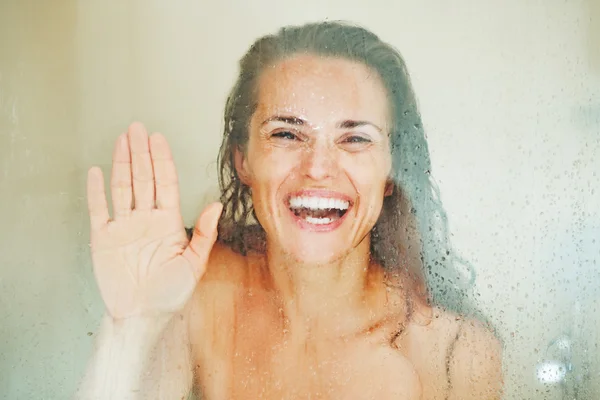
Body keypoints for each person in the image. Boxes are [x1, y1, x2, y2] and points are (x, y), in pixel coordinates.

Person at [77, 21, 503, 400]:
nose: (317, 168)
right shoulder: (200, 293)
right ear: (242, 158)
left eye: (355, 139)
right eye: (286, 134)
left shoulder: (452, 354)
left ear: (392, 172)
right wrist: (132, 327)